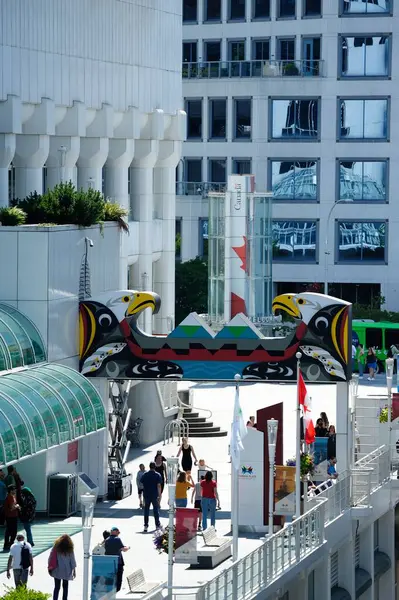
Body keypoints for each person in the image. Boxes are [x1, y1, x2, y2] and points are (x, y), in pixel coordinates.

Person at [48, 534, 76, 600]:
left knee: (57, 587)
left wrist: (50, 566)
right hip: (67, 570)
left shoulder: (56, 547)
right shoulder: (70, 548)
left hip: (57, 569)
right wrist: (74, 570)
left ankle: (55, 599)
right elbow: (72, 559)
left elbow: (51, 557)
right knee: (65, 587)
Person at [104, 526, 129, 592]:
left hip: (109, 563)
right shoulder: (117, 539)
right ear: (115, 531)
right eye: (118, 532)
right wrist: (128, 547)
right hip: (118, 563)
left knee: (110, 580)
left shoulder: (106, 540)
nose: (118, 533)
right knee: (118, 580)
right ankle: (116, 592)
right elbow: (124, 549)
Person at [141, 462, 162, 532]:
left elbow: (142, 483)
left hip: (146, 494)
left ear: (149, 467)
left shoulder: (145, 474)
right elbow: (159, 486)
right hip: (154, 495)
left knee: (146, 510)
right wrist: (159, 495)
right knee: (155, 510)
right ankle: (157, 525)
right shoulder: (157, 475)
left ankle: (146, 526)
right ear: (155, 467)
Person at [3, 486, 20, 551]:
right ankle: (9, 544)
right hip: (11, 516)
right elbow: (12, 508)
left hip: (12, 516)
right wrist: (17, 506)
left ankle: (8, 544)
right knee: (12, 531)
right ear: (10, 491)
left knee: (10, 530)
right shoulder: (10, 497)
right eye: (13, 489)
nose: (15, 491)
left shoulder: (12, 497)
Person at [20, 482, 36, 547]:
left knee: (27, 530)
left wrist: (20, 508)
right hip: (31, 516)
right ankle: (30, 541)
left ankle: (30, 542)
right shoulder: (32, 498)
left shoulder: (26, 499)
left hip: (26, 516)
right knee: (28, 529)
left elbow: (25, 508)